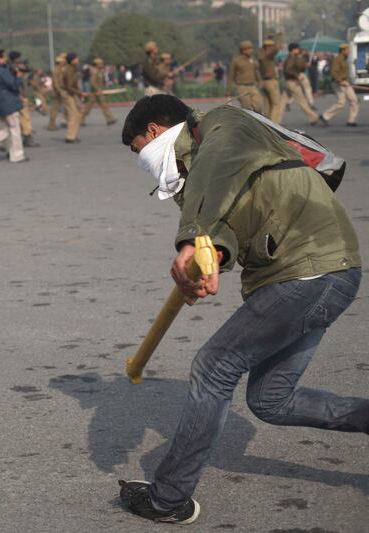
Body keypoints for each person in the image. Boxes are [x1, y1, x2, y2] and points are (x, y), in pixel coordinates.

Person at [117, 94, 365, 524]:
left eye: (139, 151)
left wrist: (194, 237)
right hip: (315, 273)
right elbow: (227, 222)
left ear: (154, 132)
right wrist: (210, 261)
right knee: (271, 400)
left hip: (310, 269)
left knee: (214, 366)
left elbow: (216, 175)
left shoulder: (224, 126)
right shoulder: (204, 169)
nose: (143, 162)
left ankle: (170, 497)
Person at [280, 44, 320, 125]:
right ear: (293, 50)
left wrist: (305, 65)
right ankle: (313, 117)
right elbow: (288, 69)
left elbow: (299, 66)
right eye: (297, 49)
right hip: (292, 82)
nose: (298, 50)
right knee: (302, 101)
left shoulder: (293, 57)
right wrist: (297, 75)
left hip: (290, 82)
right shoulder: (291, 58)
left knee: (282, 102)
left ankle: (275, 120)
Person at [320, 43, 359, 127]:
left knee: (354, 100)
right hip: (338, 83)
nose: (349, 51)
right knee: (341, 103)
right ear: (343, 51)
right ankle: (325, 116)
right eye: (347, 50)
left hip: (346, 83)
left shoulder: (345, 59)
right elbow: (334, 72)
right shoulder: (337, 59)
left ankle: (351, 120)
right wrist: (340, 81)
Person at [226, 40, 262, 113]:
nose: (251, 50)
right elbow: (231, 76)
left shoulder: (253, 59)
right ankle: (248, 123)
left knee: (258, 107)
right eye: (248, 49)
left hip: (252, 86)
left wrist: (260, 81)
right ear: (243, 50)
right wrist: (228, 90)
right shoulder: (236, 61)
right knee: (247, 108)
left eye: (251, 48)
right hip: (242, 88)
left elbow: (256, 71)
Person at [81, 58, 117, 127]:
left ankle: (110, 119)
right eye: (100, 63)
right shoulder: (95, 72)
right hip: (94, 93)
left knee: (104, 105)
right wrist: (97, 89)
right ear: (97, 64)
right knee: (87, 108)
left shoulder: (98, 71)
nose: (102, 65)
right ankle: (81, 120)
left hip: (97, 92)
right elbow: (92, 82)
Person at [258, 37, 282, 123]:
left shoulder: (261, 55)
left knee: (267, 104)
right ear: (268, 47)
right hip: (271, 81)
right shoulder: (268, 55)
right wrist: (280, 36)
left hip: (264, 81)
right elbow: (278, 47)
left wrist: (269, 39)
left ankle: (267, 123)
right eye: (271, 46)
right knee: (276, 104)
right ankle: (274, 123)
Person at [63, 52, 84, 143]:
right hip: (68, 94)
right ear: (71, 60)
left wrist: (80, 93)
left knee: (78, 114)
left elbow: (75, 84)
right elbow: (68, 86)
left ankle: (73, 135)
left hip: (73, 94)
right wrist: (79, 92)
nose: (77, 60)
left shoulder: (74, 69)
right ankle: (69, 137)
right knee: (73, 115)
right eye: (75, 59)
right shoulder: (68, 70)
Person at [47, 54, 67, 130]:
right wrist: (60, 91)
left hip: (61, 91)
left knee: (65, 107)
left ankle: (65, 121)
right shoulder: (56, 71)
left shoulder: (60, 70)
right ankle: (51, 125)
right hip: (57, 92)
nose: (64, 63)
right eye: (62, 62)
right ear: (59, 63)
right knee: (54, 109)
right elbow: (56, 83)